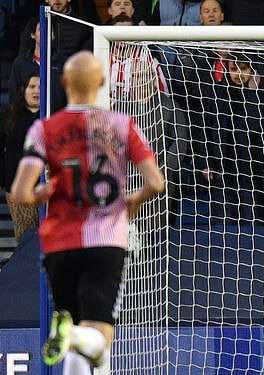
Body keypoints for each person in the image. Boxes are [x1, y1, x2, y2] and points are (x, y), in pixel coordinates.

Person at [8, 51, 165, 375]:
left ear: (65, 83)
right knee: (98, 336)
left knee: (76, 330)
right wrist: (131, 202)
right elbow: (155, 183)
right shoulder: (121, 125)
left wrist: (46, 191)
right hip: (106, 240)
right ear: (102, 83)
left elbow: (21, 193)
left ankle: (68, 332)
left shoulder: (45, 129)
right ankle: (73, 335)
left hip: (60, 243)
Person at [1, 74, 41, 240]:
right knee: (25, 238)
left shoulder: (51, 117)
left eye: (40, 87)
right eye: (32, 87)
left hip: (44, 188)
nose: (36, 91)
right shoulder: (9, 116)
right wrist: (5, 179)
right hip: (17, 187)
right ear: (23, 90)